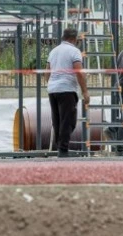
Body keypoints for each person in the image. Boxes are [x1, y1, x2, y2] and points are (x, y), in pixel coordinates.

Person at [45, 27, 89, 158]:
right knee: (68, 120)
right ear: (74, 39)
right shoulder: (74, 51)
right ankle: (63, 149)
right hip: (67, 89)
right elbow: (79, 72)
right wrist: (85, 91)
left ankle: (60, 147)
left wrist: (52, 84)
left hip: (53, 89)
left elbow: (47, 72)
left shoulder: (53, 51)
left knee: (57, 119)